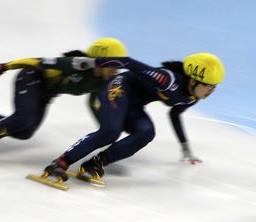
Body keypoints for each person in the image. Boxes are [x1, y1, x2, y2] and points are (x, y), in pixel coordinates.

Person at [36, 52, 225, 187]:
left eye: (214, 87)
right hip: (118, 88)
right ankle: (60, 163)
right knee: (110, 131)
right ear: (193, 80)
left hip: (134, 105)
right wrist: (96, 62)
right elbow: (127, 62)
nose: (211, 91)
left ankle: (96, 164)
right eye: (209, 86)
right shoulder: (166, 79)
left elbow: (175, 114)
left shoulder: (193, 96)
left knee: (146, 132)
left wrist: (185, 148)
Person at [0, 38, 128, 164]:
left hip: (45, 93)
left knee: (24, 132)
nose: (116, 70)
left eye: (119, 65)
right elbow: (37, 62)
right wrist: (5, 66)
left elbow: (94, 104)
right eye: (113, 64)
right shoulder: (76, 64)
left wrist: (105, 129)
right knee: (23, 117)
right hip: (31, 78)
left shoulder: (104, 81)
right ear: (100, 59)